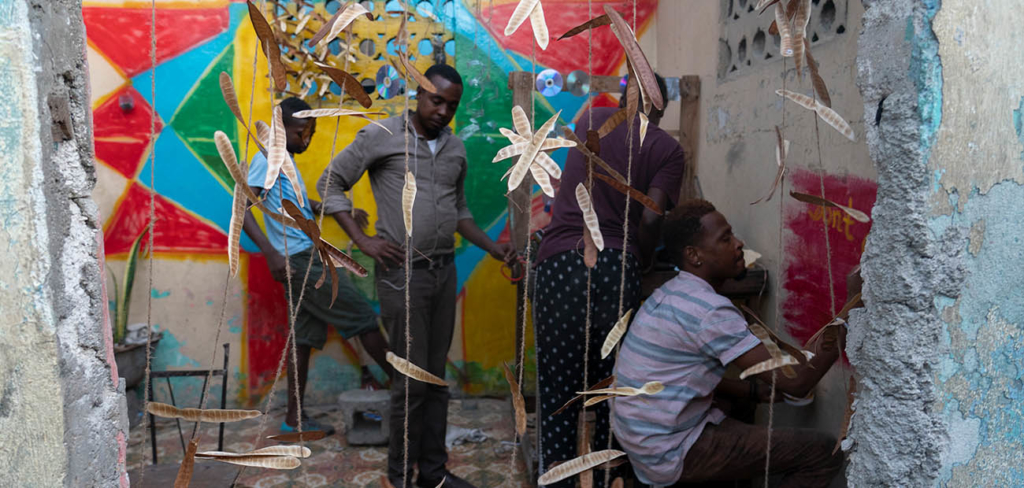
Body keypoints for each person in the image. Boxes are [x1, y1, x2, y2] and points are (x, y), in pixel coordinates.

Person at [318, 64, 515, 488]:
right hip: (401, 276)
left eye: (452, 105)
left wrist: (494, 247)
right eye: (436, 100)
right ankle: (397, 477)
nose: (443, 111)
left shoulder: (456, 150)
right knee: (410, 383)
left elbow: (460, 212)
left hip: (443, 274)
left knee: (435, 379)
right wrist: (362, 239)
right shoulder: (382, 136)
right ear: (419, 94)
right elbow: (330, 183)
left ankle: (433, 473)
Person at [612, 199, 848, 487]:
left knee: (737, 404)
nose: (739, 244)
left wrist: (751, 390)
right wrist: (851, 310)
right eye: (725, 239)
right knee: (823, 452)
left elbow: (676, 380)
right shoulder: (709, 311)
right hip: (666, 452)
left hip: (640, 440)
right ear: (694, 255)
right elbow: (797, 382)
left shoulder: (669, 294)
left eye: (733, 235)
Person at [531, 73, 684, 487]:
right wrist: (644, 257)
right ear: (663, 106)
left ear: (622, 98)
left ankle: (555, 479)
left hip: (561, 262)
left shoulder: (592, 120)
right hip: (617, 269)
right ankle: (601, 480)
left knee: (559, 395)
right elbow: (652, 215)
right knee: (607, 391)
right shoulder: (669, 149)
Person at [242, 97, 391, 436]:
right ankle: (408, 397)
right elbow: (242, 208)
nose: (306, 139)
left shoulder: (285, 160)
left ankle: (293, 420)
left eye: (311, 132)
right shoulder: (268, 158)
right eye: (300, 132)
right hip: (300, 260)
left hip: (303, 256)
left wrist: (332, 209)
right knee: (363, 319)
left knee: (304, 339)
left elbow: (292, 202)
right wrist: (271, 253)